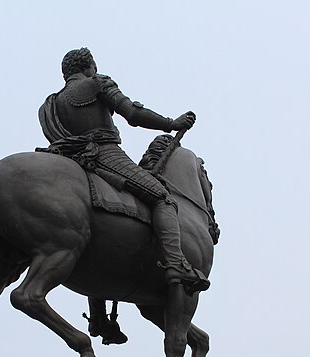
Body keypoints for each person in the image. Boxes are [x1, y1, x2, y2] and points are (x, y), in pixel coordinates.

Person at [38, 47, 210, 297]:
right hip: (105, 155)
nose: (94, 69)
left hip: (73, 161)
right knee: (162, 198)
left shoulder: (50, 104)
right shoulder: (97, 83)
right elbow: (132, 113)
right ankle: (176, 264)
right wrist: (171, 124)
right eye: (93, 65)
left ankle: (99, 318)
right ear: (88, 67)